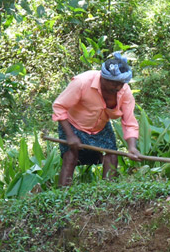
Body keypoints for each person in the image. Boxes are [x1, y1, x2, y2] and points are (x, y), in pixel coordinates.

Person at [52, 52, 141, 186]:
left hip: (100, 127)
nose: (116, 87)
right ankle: (62, 196)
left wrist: (132, 147)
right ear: (103, 78)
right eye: (113, 83)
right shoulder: (82, 82)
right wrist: (70, 136)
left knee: (112, 155)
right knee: (70, 156)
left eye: (120, 84)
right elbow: (59, 106)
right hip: (73, 124)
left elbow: (129, 121)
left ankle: (107, 192)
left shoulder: (124, 91)